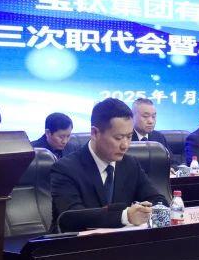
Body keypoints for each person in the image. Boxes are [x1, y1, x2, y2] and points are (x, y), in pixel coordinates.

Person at [49, 98, 169, 231]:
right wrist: (125, 216)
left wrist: (147, 209)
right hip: (78, 243)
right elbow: (71, 217)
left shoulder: (130, 164)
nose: (125, 145)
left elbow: (158, 199)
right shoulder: (65, 169)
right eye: (118, 138)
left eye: (129, 137)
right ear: (95, 133)